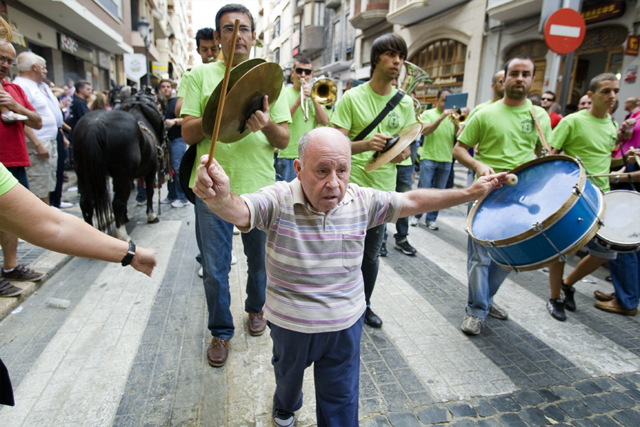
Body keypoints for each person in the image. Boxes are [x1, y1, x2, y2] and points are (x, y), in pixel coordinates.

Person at [193, 126, 508, 427]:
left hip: (345, 325)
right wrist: (220, 200)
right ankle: (285, 404)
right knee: (287, 383)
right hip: (291, 327)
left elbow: (411, 201)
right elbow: (243, 210)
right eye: (322, 171)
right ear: (299, 169)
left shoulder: (361, 200)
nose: (333, 183)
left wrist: (468, 193)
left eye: (341, 170)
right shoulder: (278, 198)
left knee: (341, 401)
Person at [181, 3, 291, 368]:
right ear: (218, 37)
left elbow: (284, 140)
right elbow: (186, 131)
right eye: (228, 28)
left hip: (260, 190)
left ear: (253, 36)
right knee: (215, 268)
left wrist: (266, 125)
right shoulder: (199, 75)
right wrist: (219, 115)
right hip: (212, 190)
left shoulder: (270, 79)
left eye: (244, 28)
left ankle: (256, 309)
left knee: (260, 263)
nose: (237, 35)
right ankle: (220, 331)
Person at [453, 55, 552, 335]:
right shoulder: (484, 113)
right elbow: (459, 148)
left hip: (521, 197)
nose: (520, 78)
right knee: (480, 258)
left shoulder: (539, 116)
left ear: (532, 80)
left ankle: (486, 300)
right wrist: (478, 164)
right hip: (486, 195)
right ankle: (475, 310)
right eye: (515, 73)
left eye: (526, 74)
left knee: (509, 258)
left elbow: (544, 156)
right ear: (504, 78)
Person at [330, 33, 416, 328]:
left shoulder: (405, 103)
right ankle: (334, 301)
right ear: (377, 58)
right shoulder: (352, 97)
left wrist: (398, 153)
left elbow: (406, 149)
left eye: (401, 57)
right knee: (340, 251)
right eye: (392, 55)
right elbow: (333, 143)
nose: (398, 62)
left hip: (382, 192)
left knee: (370, 255)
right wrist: (366, 145)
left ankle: (363, 305)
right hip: (350, 190)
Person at [546, 74, 620, 321]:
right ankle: (555, 297)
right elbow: (552, 156)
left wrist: (625, 162)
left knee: (604, 254)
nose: (612, 96)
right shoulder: (572, 121)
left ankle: (568, 284)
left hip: (603, 197)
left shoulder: (612, 124)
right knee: (561, 251)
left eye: (615, 91)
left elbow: (606, 159)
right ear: (590, 95)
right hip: (575, 196)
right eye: (606, 91)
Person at [0, 40, 45, 291]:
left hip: (15, 160)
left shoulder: (14, 89)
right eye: (1, 58)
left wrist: (16, 107)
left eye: (9, 60)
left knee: (12, 220)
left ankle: (10, 267)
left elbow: (37, 121)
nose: (5, 65)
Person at [13, 52, 58, 207]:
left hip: (47, 140)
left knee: (47, 182)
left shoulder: (35, 85)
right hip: (38, 143)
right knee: (39, 185)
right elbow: (20, 118)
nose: (45, 69)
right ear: (35, 67)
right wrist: (37, 143)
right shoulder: (21, 86)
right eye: (42, 66)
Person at [411, 89, 457, 230]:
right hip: (429, 157)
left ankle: (431, 219)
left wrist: (456, 123)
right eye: (443, 100)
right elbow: (426, 131)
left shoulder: (454, 116)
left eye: (448, 101)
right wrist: (441, 118)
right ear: (437, 100)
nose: (445, 104)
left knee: (440, 192)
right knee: (424, 189)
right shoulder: (429, 114)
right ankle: (416, 215)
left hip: (446, 158)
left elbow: (459, 137)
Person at [277, 56, 328, 182]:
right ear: (293, 73)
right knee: (288, 198)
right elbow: (281, 120)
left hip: (309, 155)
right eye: (299, 71)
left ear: (312, 75)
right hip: (288, 155)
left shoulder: (315, 96)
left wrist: (313, 99)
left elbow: (324, 121)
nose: (303, 75)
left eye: (307, 72)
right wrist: (299, 101)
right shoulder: (283, 93)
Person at [157, 79, 189, 208]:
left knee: (177, 168)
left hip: (178, 140)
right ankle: (171, 195)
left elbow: (188, 118)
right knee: (168, 169)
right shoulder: (161, 104)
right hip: (166, 141)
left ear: (173, 88)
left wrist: (174, 121)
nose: (165, 89)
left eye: (168, 86)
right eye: (163, 87)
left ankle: (182, 197)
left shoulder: (177, 102)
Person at [174, 27, 219, 118]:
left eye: (213, 49)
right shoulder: (190, 74)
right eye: (204, 49)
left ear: (219, 49)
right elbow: (178, 110)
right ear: (198, 51)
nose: (209, 53)